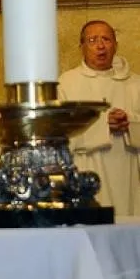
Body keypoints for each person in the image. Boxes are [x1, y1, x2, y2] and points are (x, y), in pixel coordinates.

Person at [59, 20, 140, 215]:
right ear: (82, 47)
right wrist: (104, 126)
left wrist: (129, 123)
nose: (100, 46)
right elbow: (60, 133)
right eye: (92, 40)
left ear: (116, 45)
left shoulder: (135, 83)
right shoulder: (66, 83)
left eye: (106, 39)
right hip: (86, 166)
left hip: (127, 169)